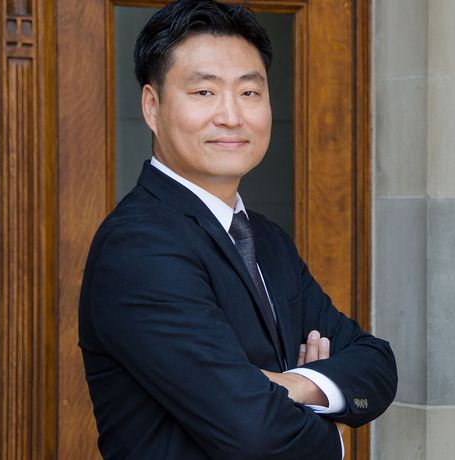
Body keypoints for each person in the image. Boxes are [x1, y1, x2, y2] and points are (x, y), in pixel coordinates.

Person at [77, 1, 398, 458]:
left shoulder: (263, 238)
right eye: (204, 92)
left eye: (250, 93)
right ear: (152, 106)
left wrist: (294, 385)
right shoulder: (138, 248)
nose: (231, 115)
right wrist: (332, 436)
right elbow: (255, 432)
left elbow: (376, 364)